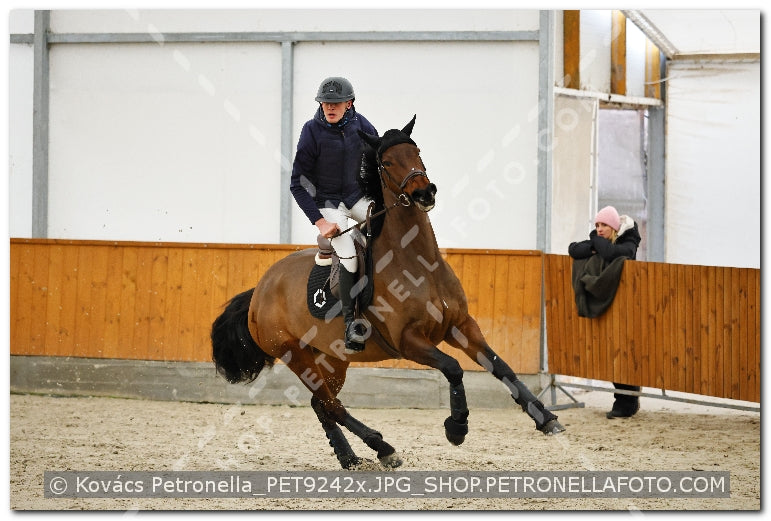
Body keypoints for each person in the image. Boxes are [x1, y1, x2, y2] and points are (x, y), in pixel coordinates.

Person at [290, 76, 378, 354]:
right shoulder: (311, 131)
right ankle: (352, 324)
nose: (330, 107)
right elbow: (297, 183)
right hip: (329, 204)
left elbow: (378, 163)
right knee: (349, 252)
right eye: (326, 103)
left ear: (349, 103)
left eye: (336, 103)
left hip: (356, 198)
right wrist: (320, 221)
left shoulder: (363, 126)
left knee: (385, 223)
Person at [568, 205, 643, 419]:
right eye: (597, 225)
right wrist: (597, 246)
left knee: (625, 350)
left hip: (627, 302)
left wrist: (596, 246)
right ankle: (624, 399)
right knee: (612, 350)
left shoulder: (629, 238)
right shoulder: (599, 238)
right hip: (608, 301)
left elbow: (616, 253)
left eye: (604, 225)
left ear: (614, 227)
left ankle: (627, 400)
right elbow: (573, 249)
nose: (599, 229)